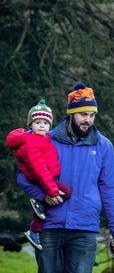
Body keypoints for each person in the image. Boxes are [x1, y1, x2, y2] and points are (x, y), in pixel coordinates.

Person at [15, 82, 114, 273]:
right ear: (70, 113)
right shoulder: (46, 139)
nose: (88, 120)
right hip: (50, 223)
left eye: (91, 115)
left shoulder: (104, 146)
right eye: (83, 114)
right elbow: (23, 175)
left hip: (85, 226)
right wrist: (43, 195)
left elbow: (110, 190)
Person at [5, 99, 72, 250]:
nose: (42, 125)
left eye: (46, 123)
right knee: (66, 192)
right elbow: (39, 168)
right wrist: (51, 190)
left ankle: (34, 231)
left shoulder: (43, 138)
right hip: (44, 178)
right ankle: (39, 205)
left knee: (44, 209)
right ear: (30, 125)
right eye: (38, 122)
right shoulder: (32, 142)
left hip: (47, 177)